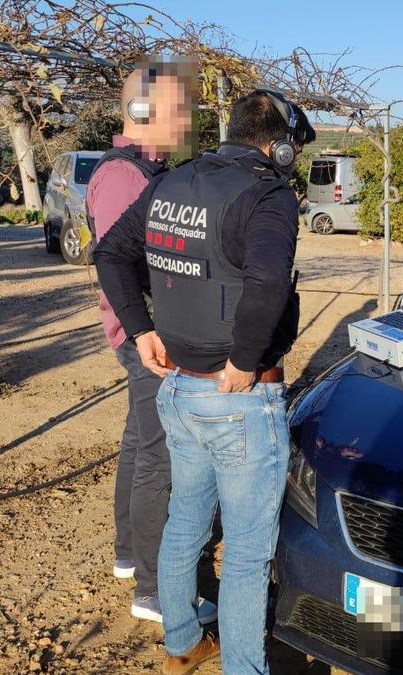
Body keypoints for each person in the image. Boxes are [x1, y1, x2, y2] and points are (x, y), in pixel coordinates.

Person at [95, 88, 314, 675]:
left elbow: (109, 253)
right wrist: (245, 361)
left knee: (185, 521)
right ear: (281, 147)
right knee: (245, 553)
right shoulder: (268, 195)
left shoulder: (174, 181)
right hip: (239, 397)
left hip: (179, 393)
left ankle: (183, 644)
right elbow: (267, 285)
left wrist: (139, 330)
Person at [84, 58, 203, 625]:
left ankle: (129, 555)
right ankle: (154, 590)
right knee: (157, 456)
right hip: (144, 338)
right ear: (142, 112)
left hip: (144, 333)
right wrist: (146, 331)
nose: (186, 122)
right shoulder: (122, 176)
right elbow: (115, 263)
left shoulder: (148, 171)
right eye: (178, 111)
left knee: (137, 443)